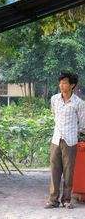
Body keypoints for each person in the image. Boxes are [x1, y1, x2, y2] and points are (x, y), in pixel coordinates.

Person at [45, 72, 85, 209]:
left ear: (72, 85)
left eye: (65, 83)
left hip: (70, 141)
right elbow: (54, 115)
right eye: (60, 82)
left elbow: (82, 124)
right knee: (54, 171)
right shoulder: (54, 99)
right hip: (56, 139)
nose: (62, 85)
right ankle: (53, 200)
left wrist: (73, 132)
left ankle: (66, 200)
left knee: (68, 172)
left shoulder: (79, 103)